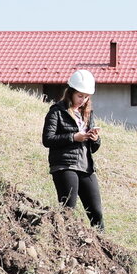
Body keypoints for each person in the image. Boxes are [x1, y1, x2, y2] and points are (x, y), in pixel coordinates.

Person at [41, 69, 104, 228]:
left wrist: (95, 139)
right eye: (80, 96)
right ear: (70, 93)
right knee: (68, 210)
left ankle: (100, 242)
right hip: (64, 165)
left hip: (85, 166)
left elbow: (93, 148)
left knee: (96, 212)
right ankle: (63, 239)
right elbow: (47, 139)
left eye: (86, 97)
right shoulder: (56, 111)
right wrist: (73, 137)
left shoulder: (88, 113)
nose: (83, 100)